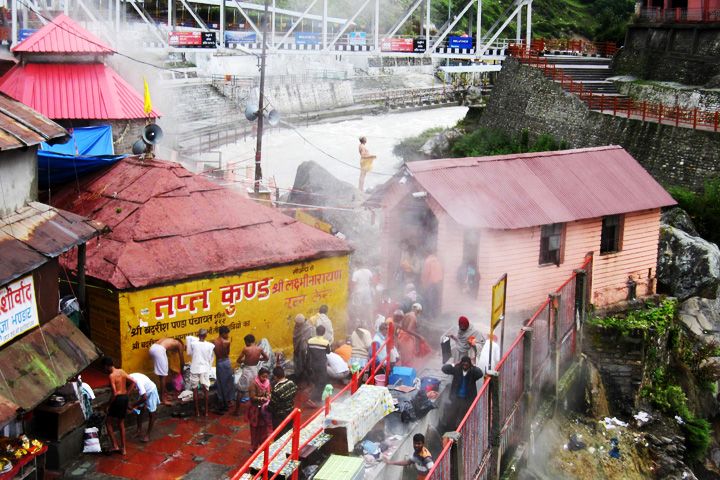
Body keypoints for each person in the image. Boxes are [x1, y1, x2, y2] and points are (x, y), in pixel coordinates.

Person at [102, 356, 136, 455]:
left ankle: (115, 445)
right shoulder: (121, 371)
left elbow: (114, 393)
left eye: (104, 367)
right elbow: (133, 382)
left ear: (106, 366)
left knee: (108, 422)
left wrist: (108, 405)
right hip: (124, 398)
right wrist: (127, 394)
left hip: (117, 399)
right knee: (121, 423)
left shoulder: (111, 376)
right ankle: (123, 448)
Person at [441, 356, 484, 430]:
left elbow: (480, 374)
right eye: (463, 363)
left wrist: (474, 367)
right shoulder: (457, 369)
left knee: (464, 417)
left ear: (469, 364)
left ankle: (462, 430)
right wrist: (453, 365)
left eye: (467, 364)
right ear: (461, 363)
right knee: (452, 415)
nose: (465, 365)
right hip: (456, 398)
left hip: (467, 399)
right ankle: (450, 430)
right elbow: (444, 369)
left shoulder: (473, 372)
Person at [235, 334, 269, 415]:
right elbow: (266, 358)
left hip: (247, 371)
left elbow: (238, 360)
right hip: (255, 371)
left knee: (240, 391)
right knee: (255, 390)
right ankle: (257, 409)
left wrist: (245, 360)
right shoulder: (259, 349)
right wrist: (258, 358)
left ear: (247, 342)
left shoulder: (246, 349)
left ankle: (237, 411)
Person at [149, 337, 185, 405]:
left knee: (161, 374)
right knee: (164, 376)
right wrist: (182, 370)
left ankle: (165, 393)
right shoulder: (179, 344)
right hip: (159, 351)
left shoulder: (168, 340)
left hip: (152, 348)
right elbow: (182, 359)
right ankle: (163, 399)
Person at [188, 329, 215, 417]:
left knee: (195, 390)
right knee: (206, 390)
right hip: (205, 369)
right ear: (206, 336)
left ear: (198, 335)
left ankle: (197, 412)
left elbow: (190, 353)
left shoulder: (193, 344)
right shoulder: (210, 345)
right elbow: (211, 358)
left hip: (195, 368)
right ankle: (206, 412)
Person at [397, 304, 432, 369]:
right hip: (406, 339)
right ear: (418, 311)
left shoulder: (407, 314)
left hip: (401, 337)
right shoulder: (413, 317)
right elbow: (409, 329)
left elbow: (401, 326)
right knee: (408, 359)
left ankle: (403, 371)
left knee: (404, 357)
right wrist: (419, 336)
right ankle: (406, 372)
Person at [128, 372, 159, 442]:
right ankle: (139, 431)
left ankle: (148, 435)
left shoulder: (137, 382)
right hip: (144, 391)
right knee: (139, 411)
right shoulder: (129, 377)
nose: (133, 389)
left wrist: (133, 405)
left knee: (152, 413)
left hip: (151, 391)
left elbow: (144, 398)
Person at [247, 367, 273, 453]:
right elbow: (252, 397)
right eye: (263, 376)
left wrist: (268, 396)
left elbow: (269, 392)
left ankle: (263, 445)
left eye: (266, 377)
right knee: (254, 429)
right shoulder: (253, 384)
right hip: (255, 410)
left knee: (263, 428)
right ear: (259, 375)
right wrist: (261, 398)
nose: (264, 378)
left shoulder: (267, 382)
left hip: (264, 409)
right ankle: (254, 446)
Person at [269, 366, 298, 435]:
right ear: (284, 374)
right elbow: (295, 392)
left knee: (279, 435)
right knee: (289, 433)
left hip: (280, 416)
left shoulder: (276, 390)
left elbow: (272, 406)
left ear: (275, 377)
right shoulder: (291, 383)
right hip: (291, 412)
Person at [307, 325, 331, 408]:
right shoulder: (326, 342)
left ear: (316, 331)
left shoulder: (310, 341)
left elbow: (308, 353)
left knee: (316, 380)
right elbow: (328, 352)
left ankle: (318, 398)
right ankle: (312, 399)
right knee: (322, 381)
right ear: (324, 333)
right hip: (321, 364)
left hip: (313, 364)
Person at [213, 326, 233, 413]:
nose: (228, 335)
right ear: (223, 333)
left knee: (220, 382)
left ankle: (222, 400)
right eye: (227, 333)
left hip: (219, 362)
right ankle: (228, 400)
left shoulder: (214, 342)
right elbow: (227, 353)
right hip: (225, 361)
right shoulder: (226, 342)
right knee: (228, 382)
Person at [292, 314, 314, 383]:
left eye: (297, 323)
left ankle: (307, 380)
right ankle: (299, 377)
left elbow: (307, 341)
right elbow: (295, 337)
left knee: (306, 365)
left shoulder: (309, 328)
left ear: (302, 323)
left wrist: (304, 351)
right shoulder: (297, 326)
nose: (296, 324)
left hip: (305, 350)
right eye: (296, 323)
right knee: (298, 364)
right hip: (297, 349)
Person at [421, 253, 443, 317]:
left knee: (429, 299)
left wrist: (424, 283)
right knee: (435, 299)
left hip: (430, 283)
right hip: (437, 283)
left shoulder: (428, 261)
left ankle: (429, 316)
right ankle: (435, 315)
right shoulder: (438, 261)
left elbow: (425, 273)